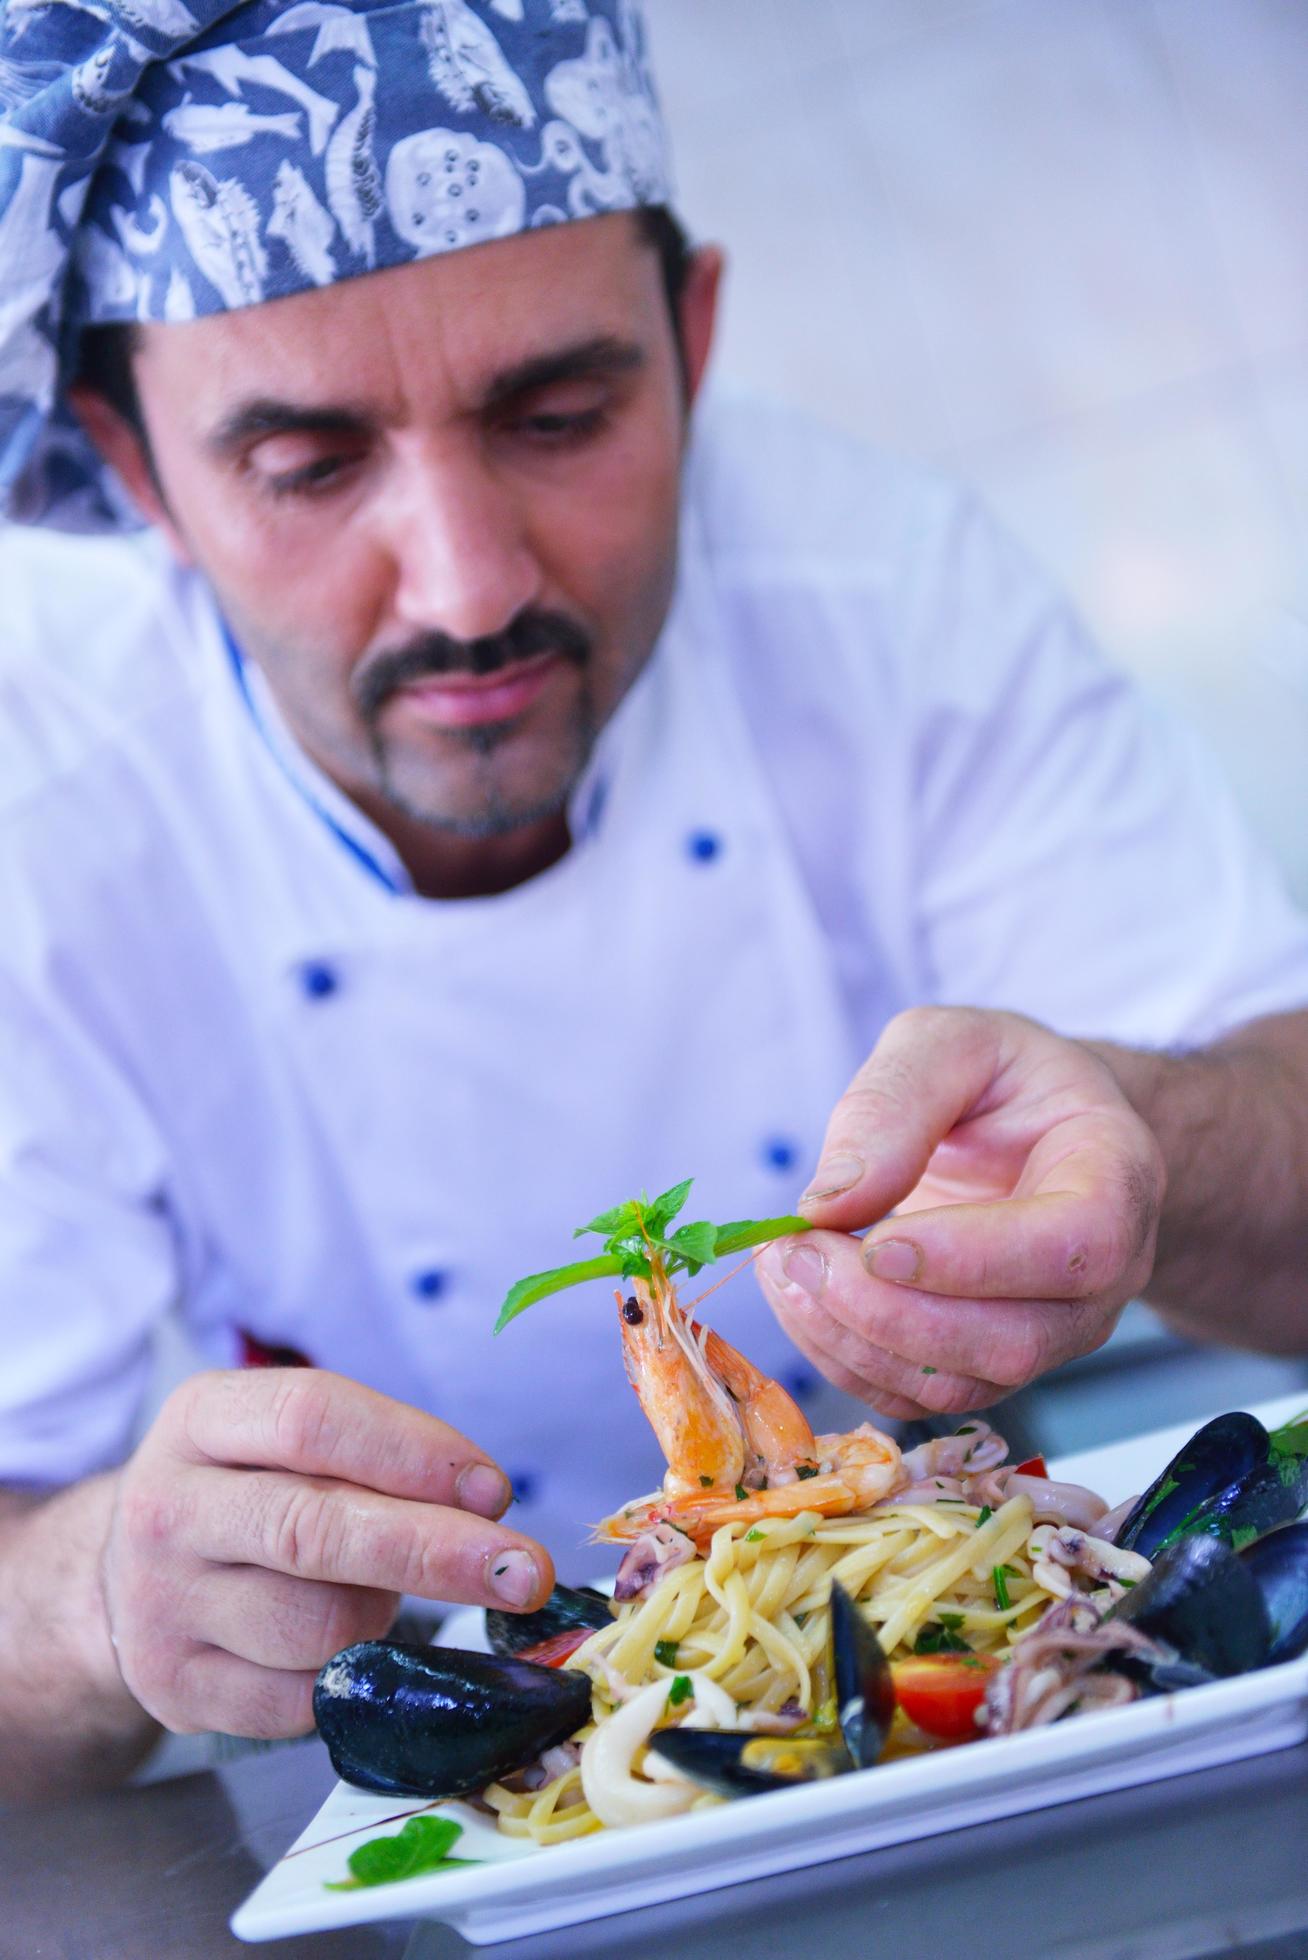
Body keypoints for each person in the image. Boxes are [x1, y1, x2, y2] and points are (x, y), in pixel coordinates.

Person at [0, 0, 1305, 1802]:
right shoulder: (41, 806)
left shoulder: (886, 591)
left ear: (691, 339)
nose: (465, 587)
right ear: (133, 466)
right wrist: (81, 1603)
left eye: (557, 413)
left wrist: (1152, 1136)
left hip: (990, 1708)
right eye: (306, 464)